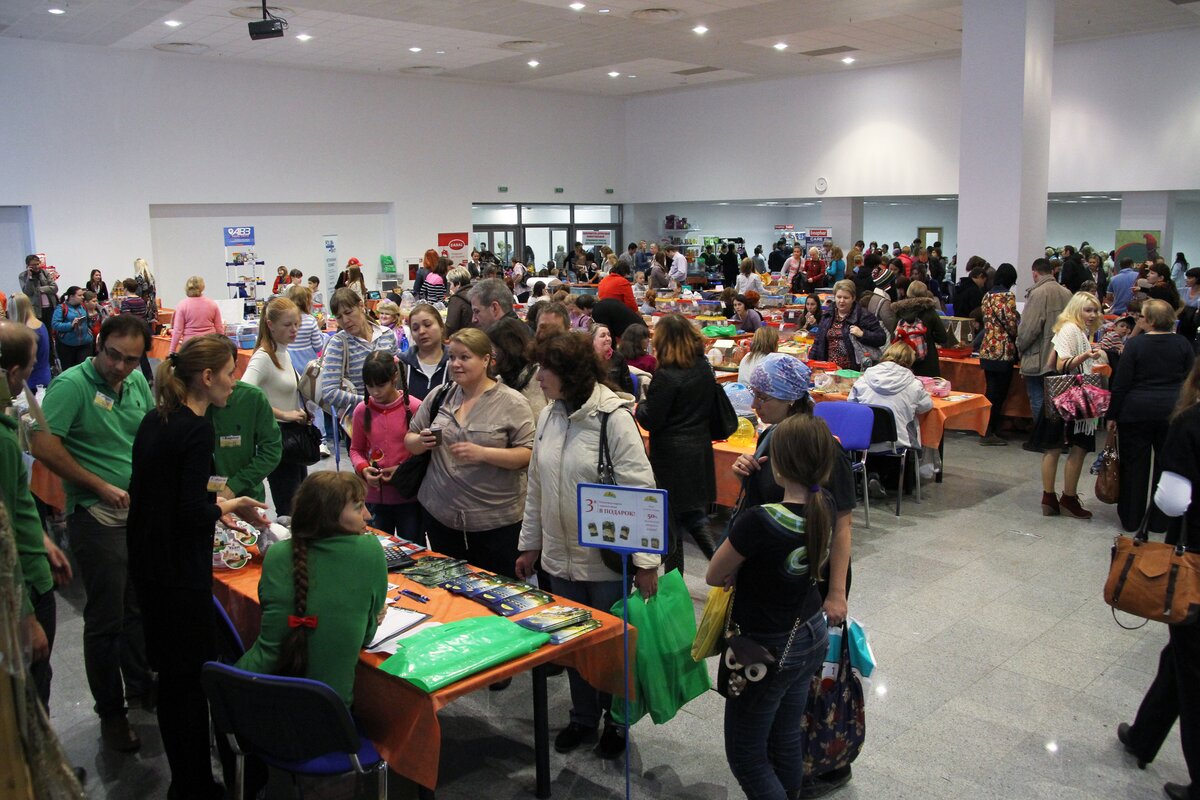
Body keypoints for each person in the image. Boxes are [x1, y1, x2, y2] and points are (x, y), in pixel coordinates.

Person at [127, 334, 267, 800]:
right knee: (188, 683)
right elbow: (189, 511)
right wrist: (230, 506)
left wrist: (215, 504)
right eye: (228, 373)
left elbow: (163, 495)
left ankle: (187, 781)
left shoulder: (155, 419)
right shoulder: (194, 429)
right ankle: (195, 786)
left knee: (174, 681)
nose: (234, 382)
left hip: (150, 567)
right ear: (206, 378)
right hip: (177, 575)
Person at [514, 332, 660, 759]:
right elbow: (537, 487)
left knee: (610, 650)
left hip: (604, 562)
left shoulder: (613, 418)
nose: (538, 377)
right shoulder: (548, 415)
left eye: (546, 369)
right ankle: (583, 716)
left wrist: (646, 562)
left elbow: (641, 491)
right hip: (558, 559)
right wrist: (530, 545)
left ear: (571, 374)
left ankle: (616, 720)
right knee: (573, 645)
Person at [31, 314, 156, 752]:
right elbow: (42, 445)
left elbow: (145, 434)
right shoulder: (72, 386)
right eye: (113, 355)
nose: (120, 367)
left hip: (137, 516)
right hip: (96, 518)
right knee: (106, 621)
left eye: (131, 360)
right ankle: (112, 715)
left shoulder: (135, 381)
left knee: (137, 608)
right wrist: (99, 485)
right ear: (98, 345)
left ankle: (140, 686)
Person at [708, 413, 832, 800]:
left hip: (768, 646)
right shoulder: (824, 505)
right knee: (784, 737)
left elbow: (714, 573)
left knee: (747, 756)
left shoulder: (758, 521)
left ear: (779, 463)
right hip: (810, 630)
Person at [1118, 358, 1200, 800]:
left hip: (1196, 564)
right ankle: (1144, 735)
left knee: (1191, 664)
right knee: (1178, 658)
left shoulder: (1190, 423)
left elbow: (1171, 501)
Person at [236, 471, 386, 710]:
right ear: (329, 515)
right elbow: (366, 637)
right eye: (359, 507)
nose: (367, 514)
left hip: (246, 693)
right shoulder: (369, 550)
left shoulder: (276, 553)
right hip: (325, 713)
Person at [404, 329, 534, 576]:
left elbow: (528, 455)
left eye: (465, 357)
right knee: (448, 588)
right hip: (440, 517)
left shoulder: (513, 403)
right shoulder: (439, 396)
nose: (456, 364)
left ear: (486, 360)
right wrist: (421, 441)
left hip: (495, 524)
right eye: (452, 357)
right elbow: (409, 440)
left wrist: (484, 453)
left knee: (495, 590)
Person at [0, 321, 72, 709]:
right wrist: (25, 617)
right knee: (31, 693)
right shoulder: (2, 441)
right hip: (24, 589)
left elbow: (13, 506)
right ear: (14, 373)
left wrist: (43, 539)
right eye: (29, 368)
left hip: (30, 570)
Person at [635, 314, 717, 573]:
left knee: (675, 523)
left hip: (671, 459)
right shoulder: (703, 367)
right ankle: (718, 568)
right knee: (689, 518)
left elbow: (651, 419)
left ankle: (688, 577)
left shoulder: (666, 376)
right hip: (700, 452)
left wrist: (640, 406)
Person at [1106, 299, 1195, 532]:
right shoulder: (1183, 344)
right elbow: (1190, 380)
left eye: (1142, 317)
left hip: (1136, 410)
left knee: (1133, 465)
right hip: (1172, 411)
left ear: (1151, 321)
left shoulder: (1135, 345)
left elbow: (1121, 383)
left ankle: (1131, 517)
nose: (1139, 320)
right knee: (1166, 464)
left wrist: (1112, 414)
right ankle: (1160, 521)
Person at [1029, 291, 1107, 519]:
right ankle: (1067, 498)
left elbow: (1051, 362)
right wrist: (1087, 356)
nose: (1093, 315)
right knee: (1078, 446)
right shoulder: (1072, 330)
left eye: (1096, 310)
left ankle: (1050, 498)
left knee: (1054, 447)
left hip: (1061, 394)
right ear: (1076, 309)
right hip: (1071, 395)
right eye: (1088, 310)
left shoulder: (1071, 329)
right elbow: (1062, 365)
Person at [243, 297, 309, 517]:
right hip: (277, 440)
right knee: (289, 509)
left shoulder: (284, 352)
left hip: (292, 438)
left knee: (300, 506)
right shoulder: (263, 358)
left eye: (296, 324)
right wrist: (284, 414)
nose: (294, 330)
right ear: (270, 325)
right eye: (287, 325)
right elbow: (245, 397)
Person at [349, 352, 422, 536]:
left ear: (394, 377)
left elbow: (424, 453)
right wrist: (364, 469)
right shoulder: (361, 410)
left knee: (414, 547)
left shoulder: (415, 407)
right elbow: (356, 449)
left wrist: (402, 470)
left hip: (409, 496)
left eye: (381, 385)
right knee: (377, 546)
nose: (375, 392)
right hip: (374, 497)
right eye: (370, 386)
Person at [319, 288, 398, 436]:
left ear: (361, 306)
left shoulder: (387, 334)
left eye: (348, 312)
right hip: (361, 424)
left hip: (392, 417)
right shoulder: (338, 343)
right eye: (339, 317)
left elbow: (396, 376)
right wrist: (370, 401)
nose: (345, 321)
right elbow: (329, 392)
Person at [1017, 257, 1073, 444]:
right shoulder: (1067, 293)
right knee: (1058, 399)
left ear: (1035, 273)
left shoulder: (1038, 293)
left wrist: (1020, 346)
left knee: (1038, 397)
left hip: (1039, 355)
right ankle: (1058, 438)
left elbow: (1029, 328)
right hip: (1062, 355)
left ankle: (1041, 438)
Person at [849, 342, 933, 452]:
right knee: (912, 420)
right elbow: (926, 406)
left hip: (863, 444)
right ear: (910, 361)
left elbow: (851, 405)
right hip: (899, 445)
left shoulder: (863, 379)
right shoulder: (914, 384)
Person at [978, 263, 1021, 445]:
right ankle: (990, 431)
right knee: (1000, 394)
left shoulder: (986, 296)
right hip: (1003, 351)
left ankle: (988, 429)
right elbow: (1011, 324)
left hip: (987, 348)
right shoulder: (1007, 297)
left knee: (990, 391)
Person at [810, 279, 886, 371]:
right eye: (839, 297)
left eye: (846, 298)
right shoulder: (827, 315)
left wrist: (862, 334)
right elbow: (818, 341)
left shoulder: (863, 315)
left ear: (853, 298)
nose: (841, 301)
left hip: (854, 370)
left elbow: (881, 338)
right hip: (829, 369)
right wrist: (810, 363)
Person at [490, 315, 547, 424]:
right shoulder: (498, 382)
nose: (488, 356)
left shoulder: (539, 378)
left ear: (507, 349)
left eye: (492, 350)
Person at [891, 280, 946, 377]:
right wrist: (929, 337)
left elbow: (893, 337)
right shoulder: (929, 311)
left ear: (908, 293)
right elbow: (942, 337)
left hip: (903, 361)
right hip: (927, 362)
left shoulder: (899, 311)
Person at [399, 303, 449, 401]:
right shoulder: (401, 364)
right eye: (415, 328)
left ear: (441, 327)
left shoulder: (455, 362)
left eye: (427, 325)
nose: (421, 331)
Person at [169, 276, 223, 355]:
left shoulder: (182, 305)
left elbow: (178, 331)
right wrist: (223, 346)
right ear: (202, 287)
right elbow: (219, 328)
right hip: (210, 344)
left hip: (190, 345)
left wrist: (172, 350)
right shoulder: (212, 304)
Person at [10, 294, 52, 392]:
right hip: (44, 376)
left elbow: (24, 361)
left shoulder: (27, 331)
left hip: (32, 381)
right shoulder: (41, 325)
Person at [52, 286, 94, 370]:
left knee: (85, 369)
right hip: (67, 347)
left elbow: (88, 321)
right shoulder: (61, 308)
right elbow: (55, 324)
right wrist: (70, 325)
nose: (82, 297)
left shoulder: (82, 306)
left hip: (85, 344)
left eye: (82, 295)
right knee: (70, 371)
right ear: (71, 296)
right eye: (79, 295)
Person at [591, 322, 633, 395]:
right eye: (603, 336)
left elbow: (628, 387)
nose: (608, 338)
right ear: (592, 340)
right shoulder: (586, 358)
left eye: (609, 335)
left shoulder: (618, 358)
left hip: (616, 397)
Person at [19, 254, 58, 332]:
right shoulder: (23, 276)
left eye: (38, 264)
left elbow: (54, 288)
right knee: (40, 332)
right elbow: (27, 292)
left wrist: (39, 289)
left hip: (50, 308)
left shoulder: (44, 273)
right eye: (33, 265)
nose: (37, 266)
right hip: (36, 310)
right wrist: (29, 277)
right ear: (28, 266)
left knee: (50, 332)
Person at [444, 266, 474, 335]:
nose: (450, 287)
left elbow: (450, 327)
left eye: (450, 284)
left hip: (464, 337)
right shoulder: (477, 294)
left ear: (458, 284)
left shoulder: (456, 299)